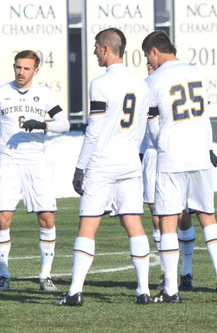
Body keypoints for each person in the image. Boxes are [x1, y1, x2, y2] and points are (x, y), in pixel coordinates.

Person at [58, 28, 153, 306]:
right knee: (134, 224)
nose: (94, 52)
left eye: (96, 48)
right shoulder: (141, 84)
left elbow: (94, 130)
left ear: (105, 49)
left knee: (87, 227)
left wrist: (80, 168)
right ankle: (143, 291)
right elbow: (140, 128)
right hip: (129, 163)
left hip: (102, 163)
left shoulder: (100, 84)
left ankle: (74, 292)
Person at [142, 30, 217, 303]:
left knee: (168, 222)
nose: (150, 60)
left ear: (155, 52)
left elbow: (153, 127)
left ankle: (171, 289)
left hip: (172, 156)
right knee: (208, 217)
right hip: (199, 155)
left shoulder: (153, 79)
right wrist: (207, 148)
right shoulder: (197, 73)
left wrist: (163, 146)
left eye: (148, 55)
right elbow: (204, 116)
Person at [0, 50, 70, 292]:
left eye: (26, 68)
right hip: (8, 162)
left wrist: (44, 124)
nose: (20, 72)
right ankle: (3, 273)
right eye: (18, 67)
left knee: (47, 218)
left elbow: (65, 124)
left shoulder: (44, 94)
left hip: (36, 162)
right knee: (2, 219)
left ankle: (45, 275)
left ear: (36, 71)